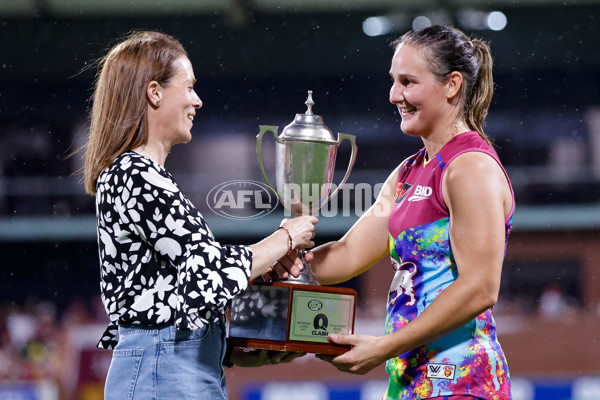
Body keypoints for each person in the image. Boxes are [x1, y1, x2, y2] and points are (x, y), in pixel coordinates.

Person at [275, 25, 514, 399]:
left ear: (452, 85)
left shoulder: (470, 167)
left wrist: (385, 346)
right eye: (393, 81)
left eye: (407, 82)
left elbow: (481, 287)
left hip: (461, 380)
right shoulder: (408, 172)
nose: (394, 95)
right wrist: (281, 257)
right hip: (411, 382)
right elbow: (350, 254)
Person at [82, 30, 317, 400]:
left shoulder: (142, 175)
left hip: (170, 365)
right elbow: (207, 270)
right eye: (189, 87)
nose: (197, 100)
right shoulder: (133, 173)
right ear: (154, 92)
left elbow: (186, 288)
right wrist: (287, 236)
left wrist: (230, 350)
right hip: (163, 368)